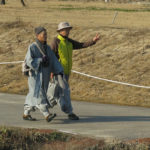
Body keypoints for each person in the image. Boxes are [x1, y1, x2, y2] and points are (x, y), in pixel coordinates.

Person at [50, 22, 100, 120]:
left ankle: (42, 106)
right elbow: (51, 56)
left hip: (66, 72)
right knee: (65, 92)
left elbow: (81, 45)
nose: (68, 31)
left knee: (56, 94)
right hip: (59, 72)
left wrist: (93, 41)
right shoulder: (56, 41)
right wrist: (52, 70)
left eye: (68, 29)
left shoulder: (69, 42)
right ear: (60, 31)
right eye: (66, 29)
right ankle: (69, 112)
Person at [23, 27, 63, 122]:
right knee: (39, 94)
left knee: (33, 95)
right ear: (37, 35)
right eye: (43, 34)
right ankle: (47, 114)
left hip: (45, 75)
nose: (46, 36)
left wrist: (59, 70)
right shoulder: (32, 47)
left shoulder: (48, 48)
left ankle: (26, 113)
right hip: (35, 76)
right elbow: (29, 61)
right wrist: (40, 60)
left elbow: (54, 60)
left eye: (46, 34)